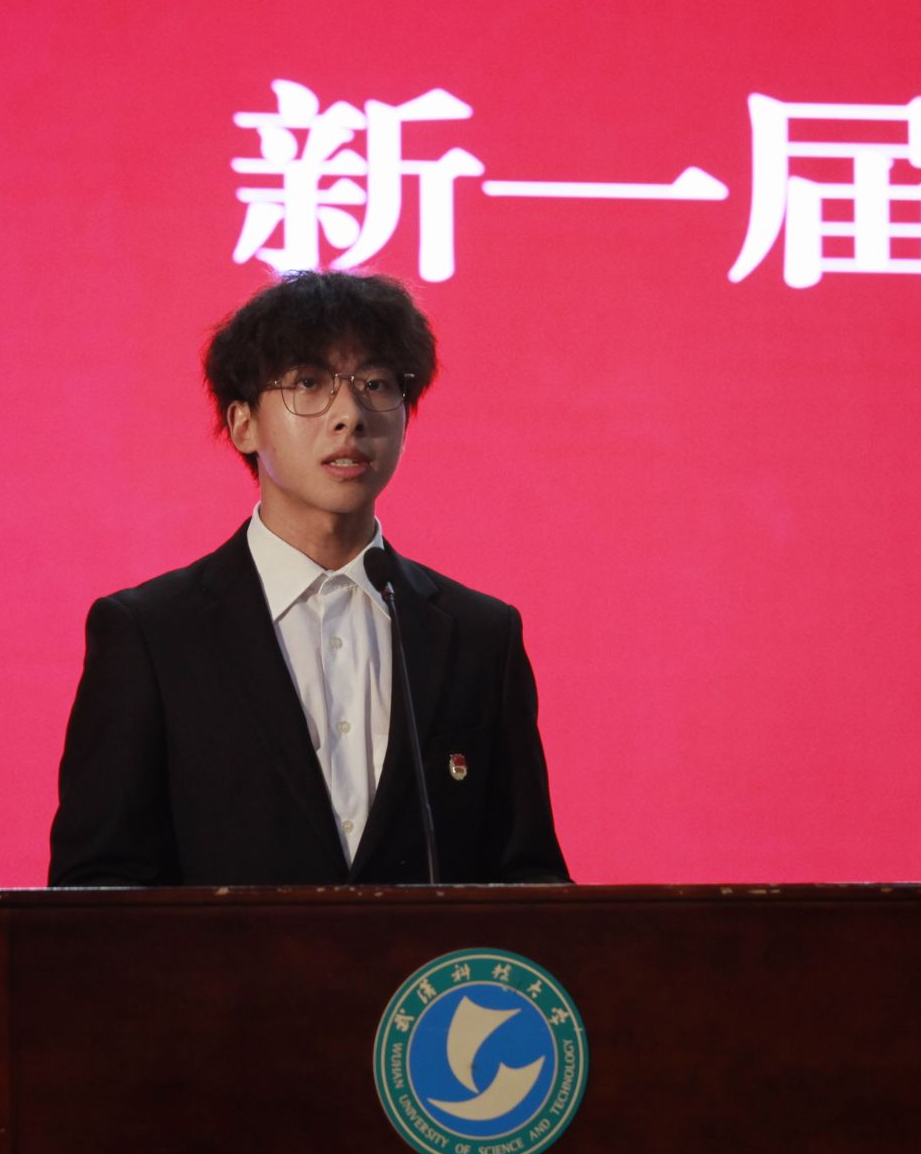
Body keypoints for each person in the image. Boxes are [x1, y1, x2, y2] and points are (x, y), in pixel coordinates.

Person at [48, 270, 570, 887]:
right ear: (243, 424)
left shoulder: (480, 636)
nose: (349, 415)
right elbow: (96, 889)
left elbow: (528, 879)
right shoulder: (152, 634)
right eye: (308, 383)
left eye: (376, 384)